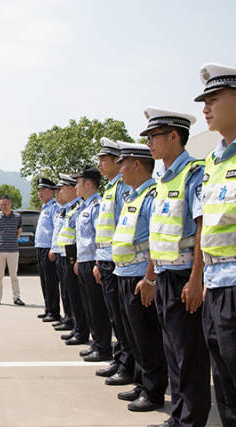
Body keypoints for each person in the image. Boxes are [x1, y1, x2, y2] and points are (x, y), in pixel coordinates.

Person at [141, 107, 210, 426]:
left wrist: (196, 279)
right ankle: (178, 415)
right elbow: (159, 233)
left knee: (189, 355)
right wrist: (151, 276)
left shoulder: (193, 173)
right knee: (172, 350)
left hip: (185, 277)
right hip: (166, 275)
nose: (150, 143)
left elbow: (202, 228)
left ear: (174, 136)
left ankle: (191, 418)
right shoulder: (161, 180)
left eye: (154, 136)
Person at [195, 62, 236, 427]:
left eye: (214, 98)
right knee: (222, 381)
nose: (205, 108)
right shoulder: (214, 161)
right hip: (217, 283)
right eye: (203, 101)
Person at [113, 142, 168, 413]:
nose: (119, 168)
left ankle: (154, 390)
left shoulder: (152, 195)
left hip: (140, 276)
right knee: (134, 336)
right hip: (124, 273)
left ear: (137, 164)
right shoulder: (132, 196)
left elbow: (157, 241)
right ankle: (141, 382)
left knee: (147, 338)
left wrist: (150, 278)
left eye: (122, 163)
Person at [93, 138, 134, 383]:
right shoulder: (110, 188)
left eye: (104, 160)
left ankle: (127, 366)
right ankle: (120, 360)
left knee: (123, 320)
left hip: (119, 262)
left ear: (118, 163)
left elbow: (124, 226)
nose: (100, 164)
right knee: (116, 318)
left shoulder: (123, 188)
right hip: (107, 260)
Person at [74, 166, 113, 362]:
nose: (75, 187)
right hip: (84, 261)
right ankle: (96, 343)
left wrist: (97, 262)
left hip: (93, 262)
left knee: (97, 307)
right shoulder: (84, 206)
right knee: (88, 305)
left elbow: (101, 235)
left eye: (78, 183)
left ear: (88, 184)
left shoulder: (97, 205)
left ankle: (104, 346)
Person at [56, 174, 89, 345]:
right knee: (70, 294)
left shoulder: (79, 207)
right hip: (66, 254)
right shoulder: (70, 208)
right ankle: (77, 327)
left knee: (77, 297)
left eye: (62, 189)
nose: (59, 192)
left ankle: (81, 330)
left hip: (75, 255)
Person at [48, 178, 72, 333]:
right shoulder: (65, 209)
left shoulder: (72, 208)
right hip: (61, 252)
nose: (58, 193)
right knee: (66, 290)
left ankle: (76, 325)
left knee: (72, 293)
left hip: (71, 255)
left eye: (60, 189)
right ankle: (69, 319)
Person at [0, 195, 25, 306]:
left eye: (5, 204)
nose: (3, 206)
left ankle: (16, 297)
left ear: (10, 204)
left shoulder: (17, 216)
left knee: (14, 276)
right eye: (1, 204)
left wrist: (13, 240)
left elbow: (19, 231)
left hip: (13, 251)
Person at [34, 178, 59, 317]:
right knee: (44, 281)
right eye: (39, 190)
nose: (40, 193)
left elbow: (56, 229)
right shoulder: (44, 208)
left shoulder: (54, 207)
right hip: (40, 248)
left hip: (48, 249)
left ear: (52, 191)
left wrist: (53, 248)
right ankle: (48, 309)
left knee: (51, 281)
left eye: (43, 190)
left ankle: (54, 311)